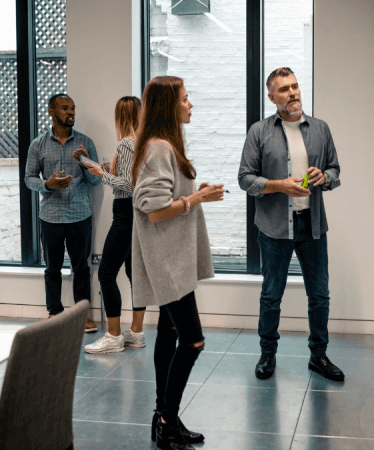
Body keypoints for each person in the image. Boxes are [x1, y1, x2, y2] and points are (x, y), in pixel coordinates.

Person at [131, 76, 224, 450]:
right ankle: (167, 420)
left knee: (169, 335)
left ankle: (164, 417)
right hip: (167, 264)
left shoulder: (161, 146)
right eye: (186, 99)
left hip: (171, 261)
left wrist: (197, 195)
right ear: (169, 106)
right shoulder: (158, 149)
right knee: (193, 341)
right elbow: (153, 211)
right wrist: (197, 199)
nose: (190, 105)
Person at [238, 67, 343, 381]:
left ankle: (319, 356)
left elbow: (335, 169)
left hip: (312, 225)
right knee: (271, 295)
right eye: (284, 89)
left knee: (320, 295)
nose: (293, 93)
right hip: (274, 227)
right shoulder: (259, 132)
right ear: (272, 97)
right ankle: (267, 354)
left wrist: (327, 177)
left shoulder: (320, 129)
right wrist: (279, 185)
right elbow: (245, 179)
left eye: (295, 86)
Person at [25, 93, 101, 332]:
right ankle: (55, 313)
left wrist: (85, 162)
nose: (71, 113)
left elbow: (95, 180)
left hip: (80, 216)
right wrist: (48, 185)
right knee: (52, 269)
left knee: (81, 269)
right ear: (51, 112)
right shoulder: (38, 145)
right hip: (50, 217)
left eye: (73, 108)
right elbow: (28, 179)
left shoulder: (85, 143)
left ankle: (83, 316)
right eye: (65, 108)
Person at [82, 96, 148, 354]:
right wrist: (111, 170)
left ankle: (113, 336)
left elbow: (132, 186)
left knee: (106, 274)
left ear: (121, 116)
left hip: (126, 214)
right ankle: (137, 333)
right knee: (134, 276)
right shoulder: (142, 143)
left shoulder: (126, 143)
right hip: (138, 216)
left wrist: (104, 175)